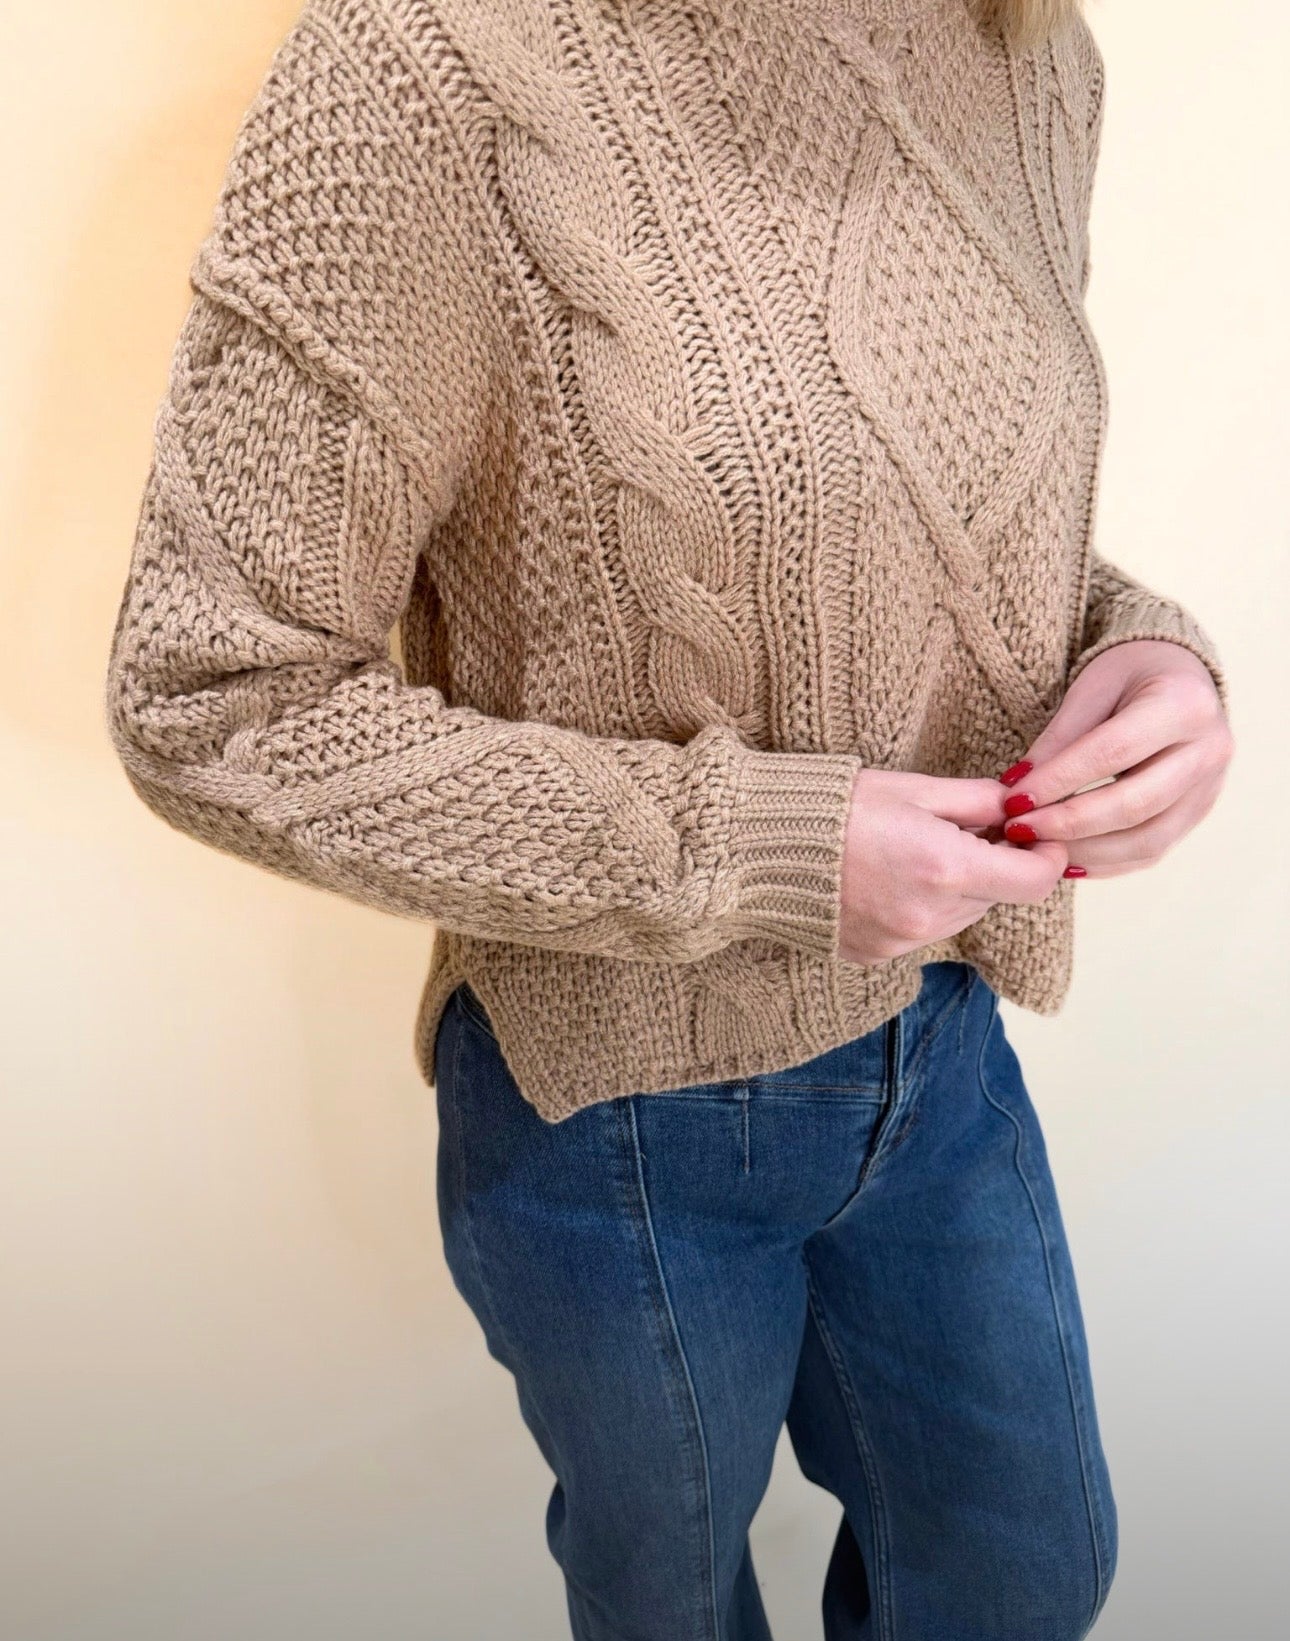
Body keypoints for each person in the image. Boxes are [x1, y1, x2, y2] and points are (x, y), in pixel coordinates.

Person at [103, 0, 1233, 1635]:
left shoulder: (1024, 49)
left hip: (941, 1041)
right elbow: (207, 693)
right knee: (671, 1608)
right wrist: (750, 843)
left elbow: (905, 498)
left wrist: (1141, 645)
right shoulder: (414, 68)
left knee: (1021, 1570)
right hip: (617, 1106)